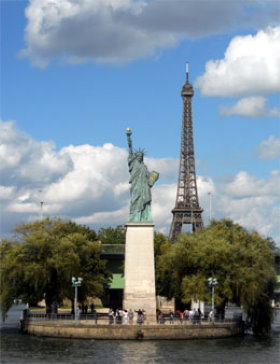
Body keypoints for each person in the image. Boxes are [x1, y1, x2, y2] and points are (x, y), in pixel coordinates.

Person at [126, 128, 159, 222]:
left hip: (144, 186)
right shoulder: (133, 163)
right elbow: (130, 150)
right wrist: (129, 137)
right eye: (138, 155)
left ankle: (144, 217)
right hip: (136, 186)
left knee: (146, 201)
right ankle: (135, 217)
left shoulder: (144, 167)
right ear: (135, 157)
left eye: (141, 156)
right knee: (135, 201)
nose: (140, 156)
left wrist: (154, 177)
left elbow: (149, 177)